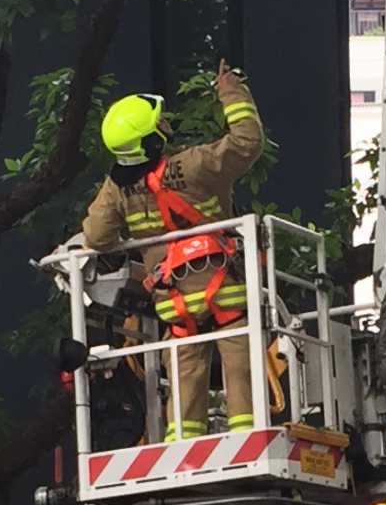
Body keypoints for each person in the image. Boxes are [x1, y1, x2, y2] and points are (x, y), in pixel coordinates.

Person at [83, 62, 269, 442]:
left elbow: (97, 236)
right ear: (152, 141)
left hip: (174, 304)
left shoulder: (120, 189)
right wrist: (231, 91)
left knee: (184, 379)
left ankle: (183, 447)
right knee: (240, 370)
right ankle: (246, 439)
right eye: (158, 124)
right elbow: (247, 141)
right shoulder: (196, 165)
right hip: (226, 294)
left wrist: (117, 179)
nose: (165, 124)